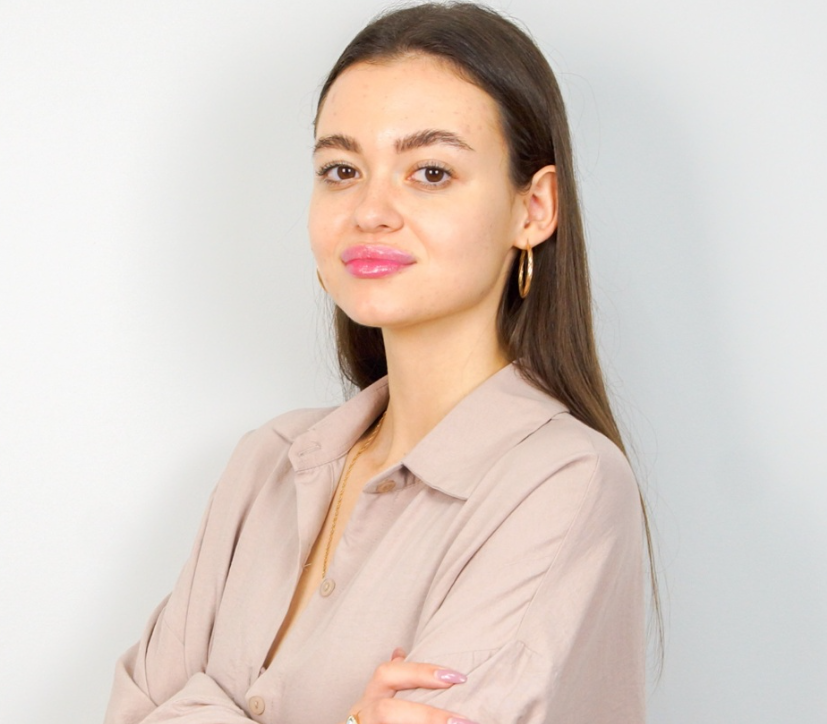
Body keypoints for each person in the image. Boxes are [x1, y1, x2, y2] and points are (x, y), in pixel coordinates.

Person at [105, 3, 653, 723]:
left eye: (430, 172)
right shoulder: (266, 464)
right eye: (341, 170)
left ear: (534, 209)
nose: (369, 210)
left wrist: (197, 705)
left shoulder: (564, 483)